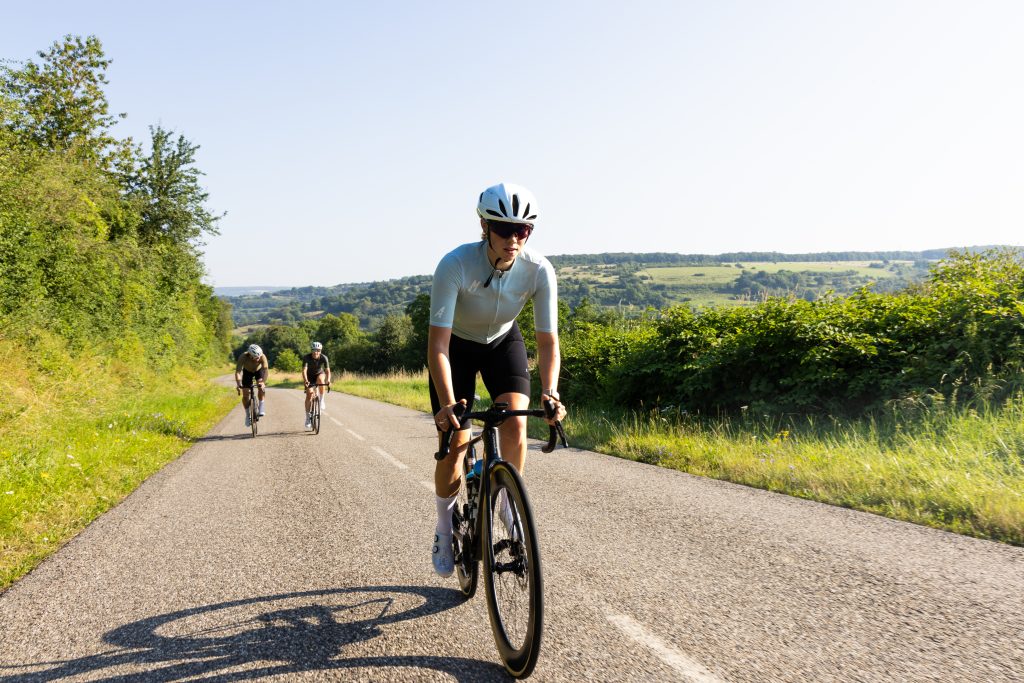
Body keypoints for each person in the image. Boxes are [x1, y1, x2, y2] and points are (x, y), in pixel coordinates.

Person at [427, 182, 567, 577]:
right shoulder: (454, 265)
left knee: (516, 423)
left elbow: (548, 342)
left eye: (523, 230)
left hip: (503, 341)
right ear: (484, 227)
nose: (514, 239)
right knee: (455, 443)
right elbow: (437, 344)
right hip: (456, 348)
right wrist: (448, 404)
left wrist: (551, 391)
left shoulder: (539, 270)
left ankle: (507, 499)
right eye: (505, 229)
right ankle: (442, 525)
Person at [235, 343, 268, 427]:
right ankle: (247, 415)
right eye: (256, 357)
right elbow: (238, 372)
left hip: (258, 371)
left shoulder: (262, 356)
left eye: (259, 356)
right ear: (250, 356)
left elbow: (265, 371)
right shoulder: (243, 357)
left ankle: (261, 406)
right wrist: (239, 384)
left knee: (261, 387)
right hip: (247, 372)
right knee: (246, 394)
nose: (258, 358)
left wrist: (263, 382)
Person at [302, 341, 331, 429]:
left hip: (319, 374)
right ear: (311, 350)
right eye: (314, 350)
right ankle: (307, 418)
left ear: (320, 351)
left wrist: (328, 380)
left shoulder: (324, 358)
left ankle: (321, 400)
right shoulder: (306, 357)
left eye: (318, 350)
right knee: (309, 394)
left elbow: (327, 371)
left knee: (321, 380)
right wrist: (306, 380)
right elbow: (304, 370)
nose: (316, 352)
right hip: (309, 377)